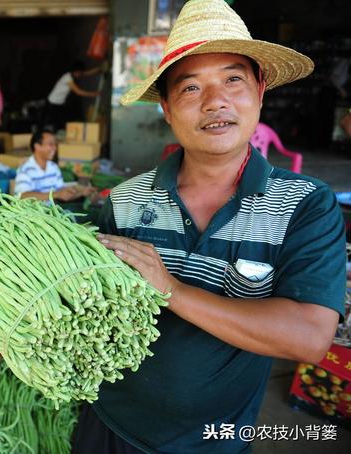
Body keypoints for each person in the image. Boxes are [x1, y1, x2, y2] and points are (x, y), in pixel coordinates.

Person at [72, 1, 347, 453]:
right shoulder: (124, 202)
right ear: (165, 107)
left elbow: (309, 337)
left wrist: (170, 288)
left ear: (260, 89)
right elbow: (85, 306)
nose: (215, 101)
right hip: (108, 426)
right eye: (190, 87)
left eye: (233, 79)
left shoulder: (307, 205)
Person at [14, 130, 91, 202]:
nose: (55, 148)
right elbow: (22, 196)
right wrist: (56, 194)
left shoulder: (53, 167)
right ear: (37, 146)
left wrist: (82, 192)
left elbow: (61, 193)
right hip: (32, 214)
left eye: (55, 145)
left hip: (52, 210)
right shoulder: (25, 168)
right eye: (50, 144)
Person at [43, 61, 103, 131]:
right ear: (75, 71)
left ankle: (62, 131)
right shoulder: (67, 78)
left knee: (61, 121)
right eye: (79, 73)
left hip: (60, 103)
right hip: (52, 103)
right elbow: (78, 92)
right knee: (55, 122)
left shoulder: (75, 74)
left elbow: (86, 73)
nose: (80, 75)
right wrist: (94, 94)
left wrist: (98, 69)